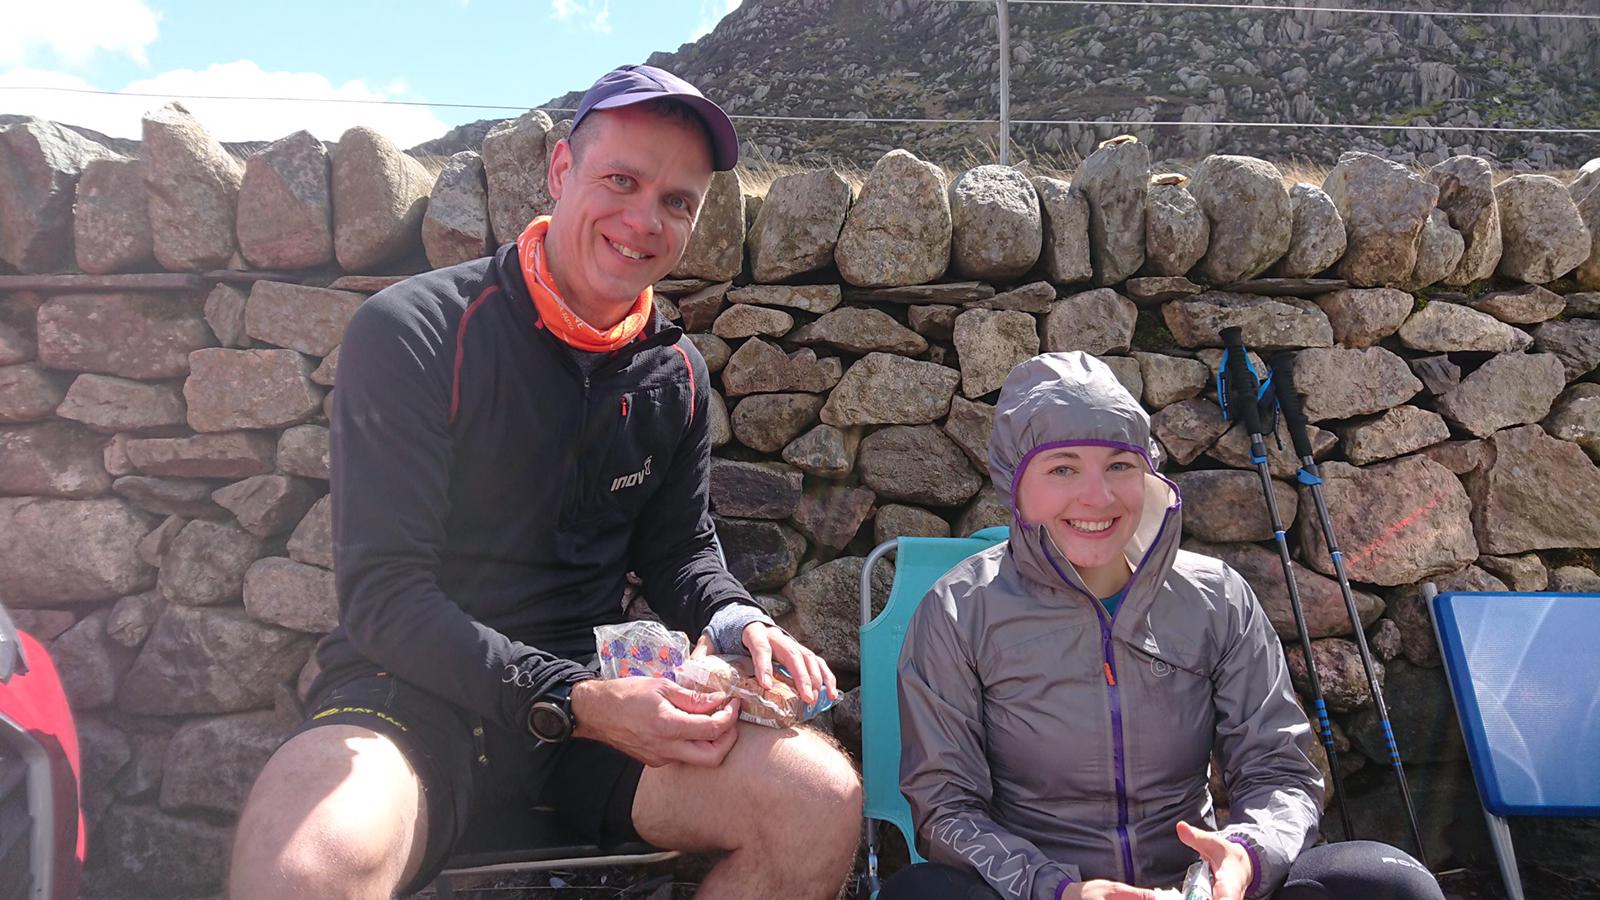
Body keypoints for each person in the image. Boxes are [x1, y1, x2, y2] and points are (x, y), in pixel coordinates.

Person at [230, 65, 861, 900]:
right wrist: (576, 696)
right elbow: (384, 597)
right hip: (413, 699)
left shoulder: (673, 372)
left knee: (818, 803)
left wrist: (736, 618)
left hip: (599, 719)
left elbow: (680, 550)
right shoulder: (415, 332)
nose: (645, 221)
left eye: (677, 201)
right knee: (302, 870)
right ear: (561, 170)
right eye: (622, 181)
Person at [888, 352, 1443, 900]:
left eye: (1119, 466)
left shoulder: (1215, 597)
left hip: (1200, 890)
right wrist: (1055, 889)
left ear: (1148, 473)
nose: (1098, 496)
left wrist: (1245, 856)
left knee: (1391, 883)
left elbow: (1280, 772)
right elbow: (946, 807)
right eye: (1062, 469)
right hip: (1045, 894)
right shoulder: (958, 611)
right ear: (1014, 483)